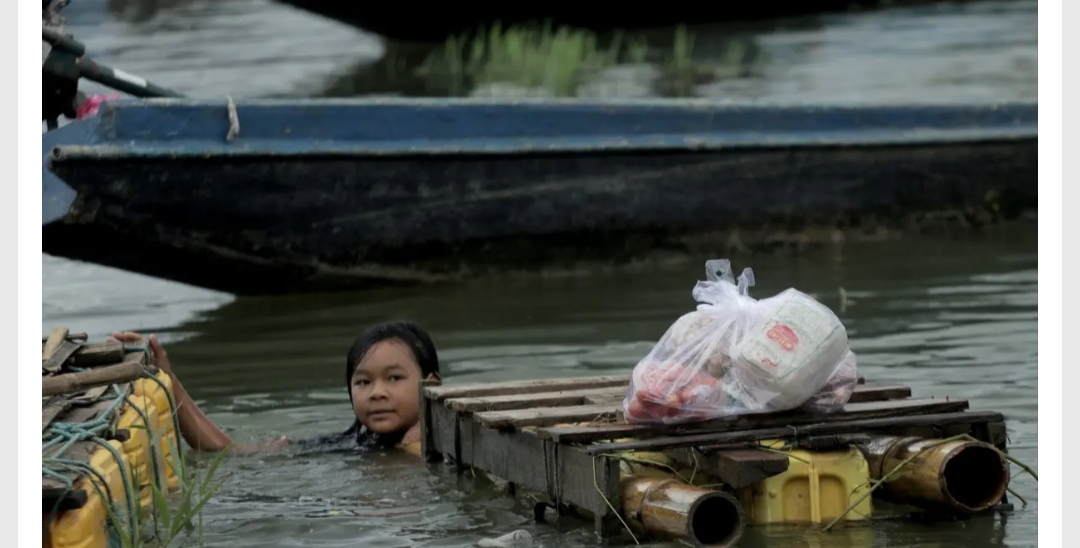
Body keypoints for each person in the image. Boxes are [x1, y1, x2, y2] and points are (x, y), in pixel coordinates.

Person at [109, 321, 441, 457]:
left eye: (394, 379)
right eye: (363, 382)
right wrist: (167, 379)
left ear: (431, 385)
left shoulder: (445, 447)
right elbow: (227, 453)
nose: (376, 393)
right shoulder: (350, 444)